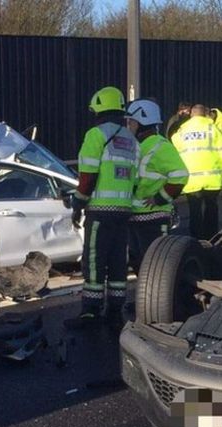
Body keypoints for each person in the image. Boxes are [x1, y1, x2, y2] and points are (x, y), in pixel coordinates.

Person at [72, 86, 140, 326]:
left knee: (94, 260)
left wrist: (78, 202)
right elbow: (136, 178)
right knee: (117, 261)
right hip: (124, 211)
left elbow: (88, 175)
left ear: (98, 109)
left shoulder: (96, 135)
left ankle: (90, 311)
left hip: (100, 210)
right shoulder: (131, 139)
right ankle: (114, 310)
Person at [125, 99, 189, 272]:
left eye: (131, 121)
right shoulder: (138, 146)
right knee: (141, 264)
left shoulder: (160, 146)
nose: (128, 125)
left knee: (156, 268)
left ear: (142, 122)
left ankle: (163, 299)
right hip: (135, 217)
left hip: (154, 218)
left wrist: (160, 198)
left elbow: (180, 175)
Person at [171, 104, 222, 240]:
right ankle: (212, 237)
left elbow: (174, 147)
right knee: (211, 207)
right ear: (205, 114)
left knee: (194, 210)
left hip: (192, 179)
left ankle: (195, 239)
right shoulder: (212, 128)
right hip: (212, 178)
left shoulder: (182, 131)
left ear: (191, 114)